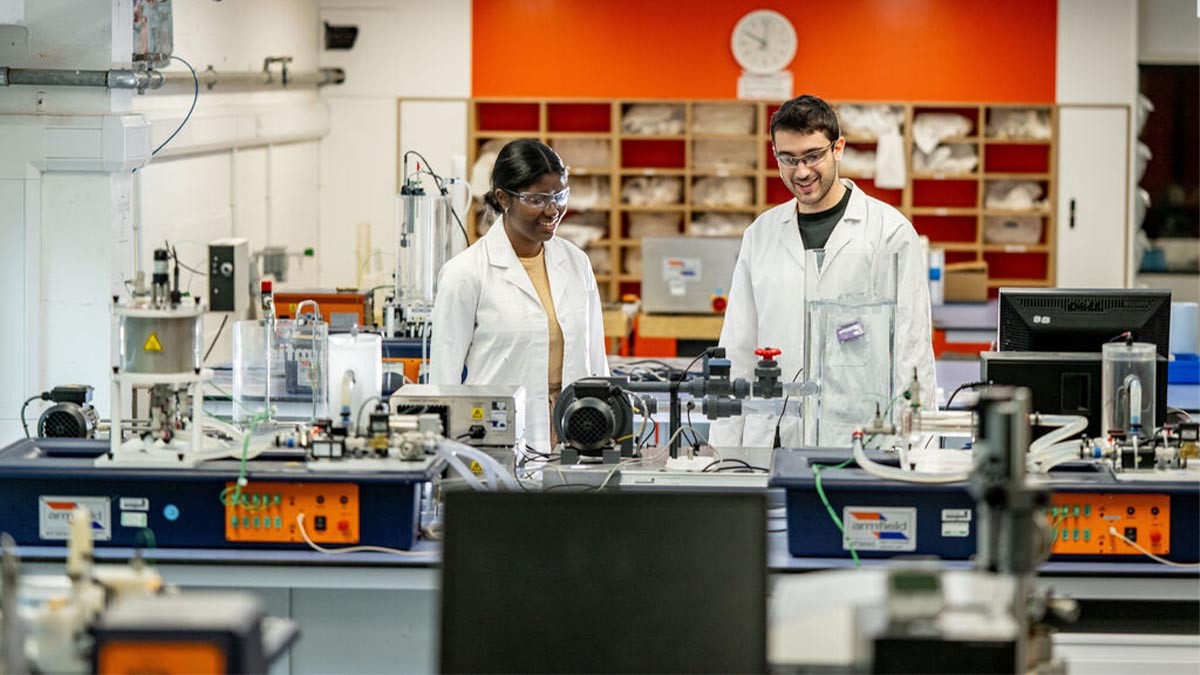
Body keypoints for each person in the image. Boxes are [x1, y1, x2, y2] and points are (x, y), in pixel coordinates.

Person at [710, 94, 936, 448]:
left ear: (838, 149)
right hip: (772, 437)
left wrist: (918, 452)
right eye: (788, 159)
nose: (801, 171)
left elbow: (912, 351)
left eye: (813, 156)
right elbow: (737, 347)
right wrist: (724, 452)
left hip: (856, 437)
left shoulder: (888, 232)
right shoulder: (761, 234)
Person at [430, 139, 610, 454]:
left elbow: (597, 361)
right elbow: (444, 382)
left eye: (559, 195)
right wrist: (448, 458)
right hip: (498, 437)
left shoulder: (576, 263)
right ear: (504, 198)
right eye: (537, 199)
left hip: (578, 432)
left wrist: (608, 430)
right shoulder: (465, 273)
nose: (552, 210)